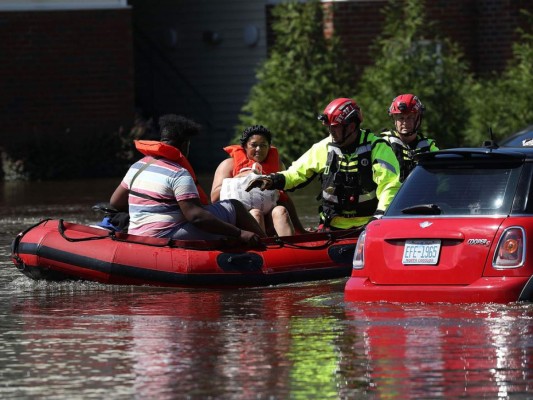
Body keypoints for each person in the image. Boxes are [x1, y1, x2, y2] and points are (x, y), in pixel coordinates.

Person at [246, 98, 402, 231]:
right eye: (329, 128)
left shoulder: (378, 147)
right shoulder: (325, 147)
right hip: (331, 227)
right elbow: (297, 173)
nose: (331, 132)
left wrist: (379, 216)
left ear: (352, 126)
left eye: (335, 128)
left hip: (369, 226)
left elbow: (390, 186)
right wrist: (272, 180)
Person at [110, 114, 266, 245]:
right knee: (235, 206)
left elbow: (116, 202)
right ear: (185, 145)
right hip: (165, 236)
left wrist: (150, 211)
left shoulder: (138, 165)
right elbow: (196, 217)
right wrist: (239, 233)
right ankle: (267, 245)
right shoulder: (179, 173)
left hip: (137, 234)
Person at [211, 125, 306, 236]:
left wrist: (301, 230)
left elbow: (284, 198)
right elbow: (214, 198)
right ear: (245, 146)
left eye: (263, 145)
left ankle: (291, 249)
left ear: (269, 147)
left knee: (281, 210)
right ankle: (260, 249)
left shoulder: (278, 166)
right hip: (241, 216)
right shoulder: (228, 165)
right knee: (256, 213)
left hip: (269, 216)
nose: (258, 149)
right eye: (254, 145)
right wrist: (239, 178)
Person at [380, 94, 439, 182]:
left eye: (410, 117)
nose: (405, 122)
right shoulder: (383, 145)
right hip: (393, 195)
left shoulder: (430, 148)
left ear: (419, 119)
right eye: (400, 118)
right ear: (394, 120)